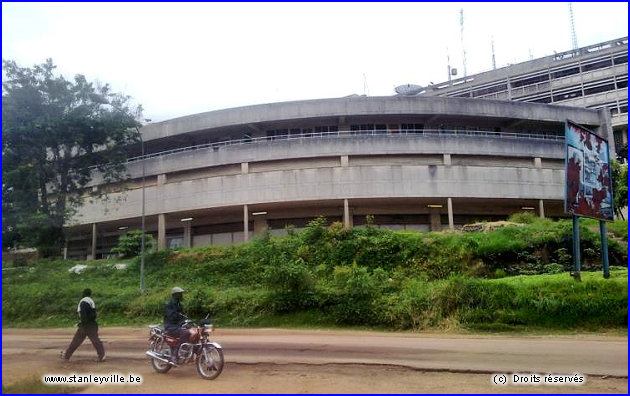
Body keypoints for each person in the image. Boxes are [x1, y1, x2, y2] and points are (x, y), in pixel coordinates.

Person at [61, 288, 105, 362]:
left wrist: (82, 325)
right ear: (90, 294)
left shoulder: (82, 302)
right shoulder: (91, 301)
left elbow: (83, 315)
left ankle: (66, 356)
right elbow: (94, 315)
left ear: (83, 294)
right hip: (92, 324)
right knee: (96, 341)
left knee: (76, 341)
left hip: (85, 326)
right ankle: (102, 356)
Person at [164, 286, 189, 364]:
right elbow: (171, 316)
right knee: (186, 333)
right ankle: (175, 353)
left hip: (177, 326)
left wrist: (186, 321)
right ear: (174, 295)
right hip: (170, 326)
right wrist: (181, 317)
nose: (181, 295)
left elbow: (182, 316)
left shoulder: (179, 305)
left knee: (194, 331)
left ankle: (188, 351)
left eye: (181, 294)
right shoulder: (169, 304)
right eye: (179, 294)